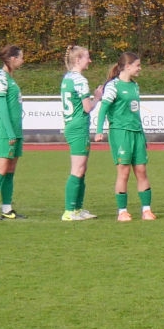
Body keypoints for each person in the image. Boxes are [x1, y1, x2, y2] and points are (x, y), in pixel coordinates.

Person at [93, 52, 154, 221]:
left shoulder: (135, 86)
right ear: (128, 66)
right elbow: (104, 108)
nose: (140, 68)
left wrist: (142, 133)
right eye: (138, 65)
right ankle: (122, 211)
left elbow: (135, 112)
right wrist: (99, 130)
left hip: (136, 133)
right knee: (124, 172)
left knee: (141, 171)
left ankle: (146, 210)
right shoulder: (113, 86)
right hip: (120, 133)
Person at [0, 46, 26, 220]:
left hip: (15, 131)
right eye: (20, 57)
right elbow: (1, 108)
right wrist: (10, 133)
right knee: (1, 168)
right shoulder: (0, 77)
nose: (22, 60)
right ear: (12, 58)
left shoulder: (10, 78)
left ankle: (7, 208)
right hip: (5, 130)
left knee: (10, 170)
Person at [60, 45, 100, 221]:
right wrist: (97, 97)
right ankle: (70, 211)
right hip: (78, 126)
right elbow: (87, 107)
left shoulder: (67, 78)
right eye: (87, 57)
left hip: (72, 125)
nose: (89, 61)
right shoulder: (80, 80)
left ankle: (77, 208)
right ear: (78, 60)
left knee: (81, 169)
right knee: (78, 169)